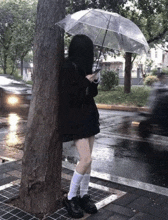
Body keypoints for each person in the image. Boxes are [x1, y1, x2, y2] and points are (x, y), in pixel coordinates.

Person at [59, 35, 100, 219]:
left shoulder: (85, 67)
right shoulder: (68, 67)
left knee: (88, 160)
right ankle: (70, 198)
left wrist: (94, 82)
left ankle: (83, 196)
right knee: (85, 159)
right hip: (76, 119)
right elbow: (68, 96)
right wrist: (86, 81)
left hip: (89, 116)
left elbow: (91, 94)